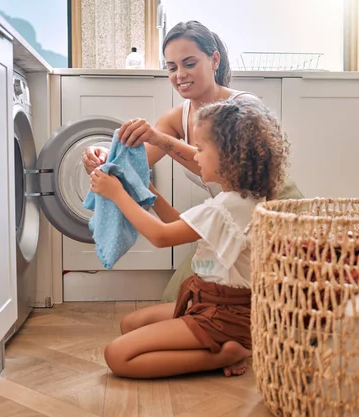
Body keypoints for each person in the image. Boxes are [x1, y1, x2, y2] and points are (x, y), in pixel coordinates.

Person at [82, 20, 304, 302]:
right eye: (172, 67)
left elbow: (228, 169)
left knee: (274, 294)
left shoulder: (243, 108)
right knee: (176, 299)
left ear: (214, 60)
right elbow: (133, 165)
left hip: (273, 208)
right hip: (226, 215)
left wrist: (161, 139)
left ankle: (243, 338)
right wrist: (102, 157)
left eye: (189, 63)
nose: (180, 75)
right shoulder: (176, 117)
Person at [88, 99, 289, 379]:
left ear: (229, 157)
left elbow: (161, 235)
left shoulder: (227, 206)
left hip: (225, 315)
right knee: (130, 324)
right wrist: (146, 188)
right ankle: (224, 348)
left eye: (201, 149)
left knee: (117, 356)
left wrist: (116, 194)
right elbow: (176, 223)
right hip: (215, 304)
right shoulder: (241, 200)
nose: (194, 155)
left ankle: (225, 353)